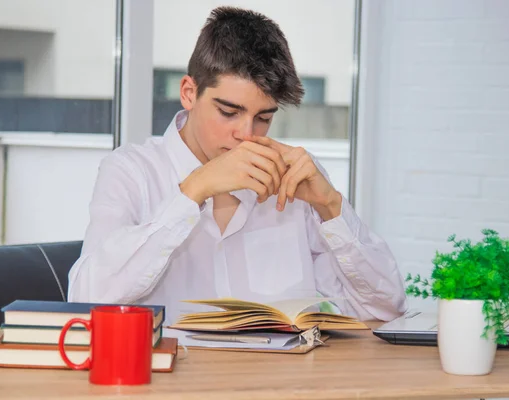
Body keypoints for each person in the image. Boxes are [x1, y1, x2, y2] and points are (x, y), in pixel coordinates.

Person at [67, 6, 406, 326]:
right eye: (229, 112)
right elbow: (86, 300)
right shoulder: (131, 171)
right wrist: (193, 191)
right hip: (171, 385)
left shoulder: (295, 177)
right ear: (188, 92)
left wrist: (331, 207)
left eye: (264, 118)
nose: (246, 135)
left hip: (279, 385)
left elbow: (385, 308)